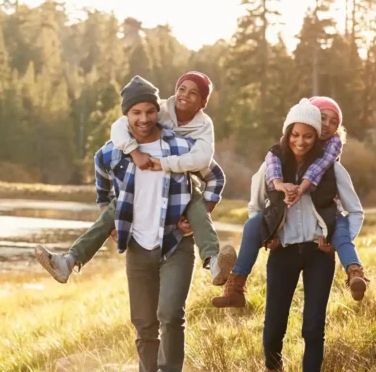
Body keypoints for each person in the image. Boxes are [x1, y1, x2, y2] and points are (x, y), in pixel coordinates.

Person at [90, 78, 226, 372]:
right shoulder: (115, 149)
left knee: (169, 315)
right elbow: (101, 178)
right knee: (144, 325)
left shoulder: (179, 146)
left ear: (157, 111)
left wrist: (199, 214)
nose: (144, 118)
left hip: (175, 243)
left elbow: (216, 175)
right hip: (137, 245)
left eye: (150, 111)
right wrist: (111, 216)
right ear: (126, 116)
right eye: (136, 112)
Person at [35, 73, 235, 287]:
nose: (184, 95)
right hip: (140, 186)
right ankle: (68, 262)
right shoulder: (158, 110)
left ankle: (214, 262)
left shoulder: (203, 127)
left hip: (184, 183)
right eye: (182, 89)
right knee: (116, 207)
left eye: (193, 93)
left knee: (197, 206)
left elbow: (206, 162)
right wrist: (134, 152)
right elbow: (120, 126)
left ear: (203, 103)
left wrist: (201, 212)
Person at [240, 99, 364, 372]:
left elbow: (355, 211)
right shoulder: (273, 166)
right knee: (273, 326)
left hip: (318, 256)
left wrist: (335, 242)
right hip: (282, 253)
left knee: (312, 327)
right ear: (289, 132)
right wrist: (269, 234)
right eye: (297, 134)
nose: (303, 140)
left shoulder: (332, 170)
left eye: (310, 133)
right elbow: (255, 208)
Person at [212, 96, 368, 308]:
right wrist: (270, 228)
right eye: (323, 118)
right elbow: (263, 186)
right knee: (252, 225)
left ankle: (355, 272)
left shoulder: (331, 154)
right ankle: (236, 284)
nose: (328, 126)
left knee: (340, 230)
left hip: (324, 218)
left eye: (334, 122)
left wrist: (302, 188)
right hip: (284, 229)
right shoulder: (278, 154)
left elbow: (321, 170)